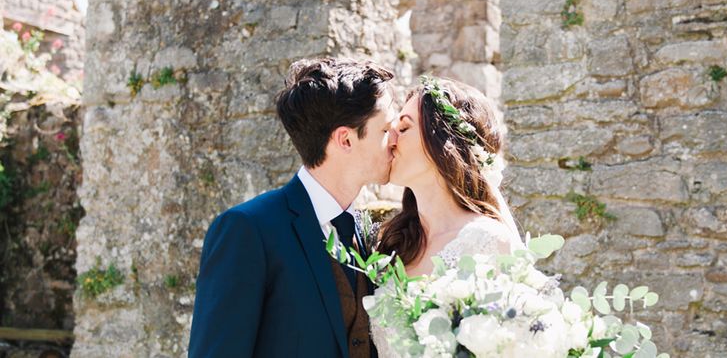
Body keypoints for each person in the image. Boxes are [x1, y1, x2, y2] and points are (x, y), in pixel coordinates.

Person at [188, 57, 396, 358]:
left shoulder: (366, 230)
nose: (395, 141)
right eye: (385, 130)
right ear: (346, 139)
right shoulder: (249, 230)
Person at [371, 74, 524, 356]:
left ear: (441, 144)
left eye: (404, 128)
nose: (390, 138)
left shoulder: (488, 242)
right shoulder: (390, 244)